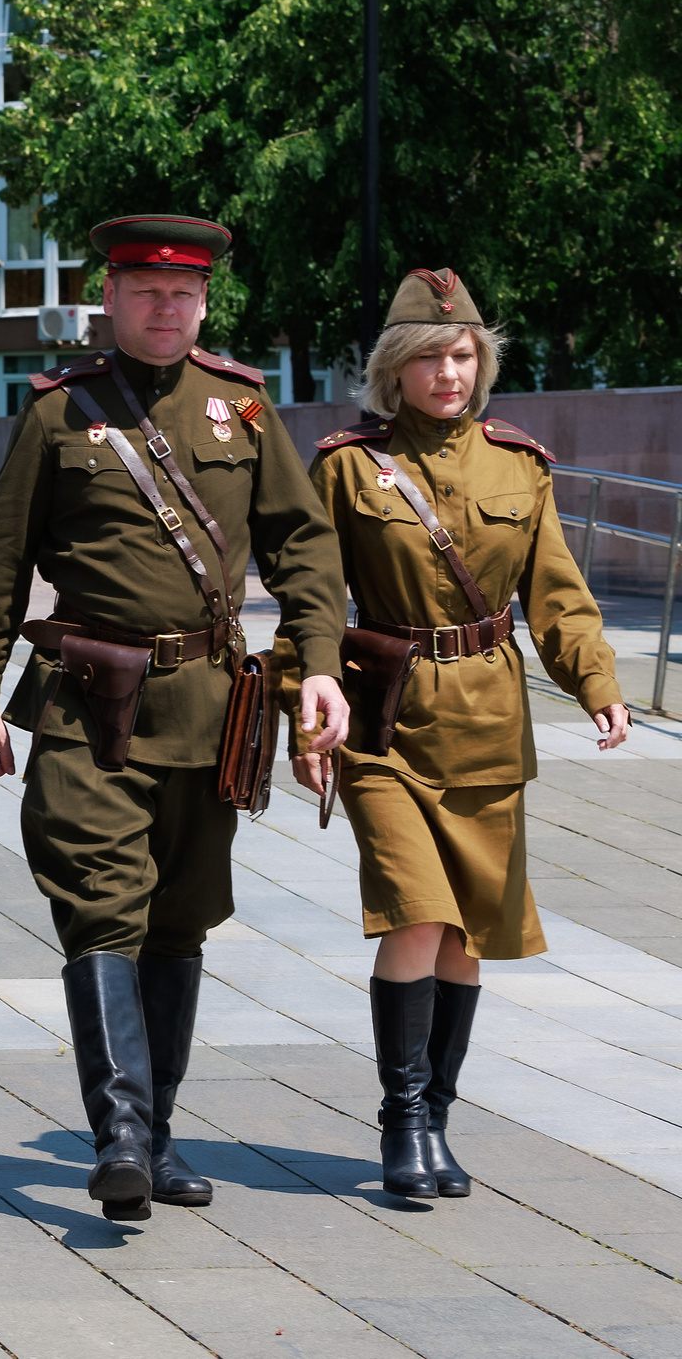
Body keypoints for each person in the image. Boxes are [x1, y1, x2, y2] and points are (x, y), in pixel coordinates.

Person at [0, 216, 351, 1221]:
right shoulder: (57, 412)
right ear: (111, 296)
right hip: (89, 702)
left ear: (203, 302)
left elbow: (301, 547)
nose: (164, 307)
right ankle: (120, 1136)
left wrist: (315, 667)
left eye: (182, 294)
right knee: (100, 902)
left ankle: (157, 1136)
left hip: (211, 708)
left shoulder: (243, 409)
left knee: (177, 921)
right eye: (143, 291)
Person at [299, 269, 627, 1199]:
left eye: (462, 353)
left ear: (480, 362)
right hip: (384, 718)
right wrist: (302, 715)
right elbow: (312, 602)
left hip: (487, 718)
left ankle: (437, 1118)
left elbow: (556, 593)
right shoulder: (348, 466)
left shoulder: (519, 463)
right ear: (393, 369)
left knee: (467, 934)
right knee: (416, 910)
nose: (448, 370)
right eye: (429, 357)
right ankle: (401, 1123)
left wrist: (596, 679)